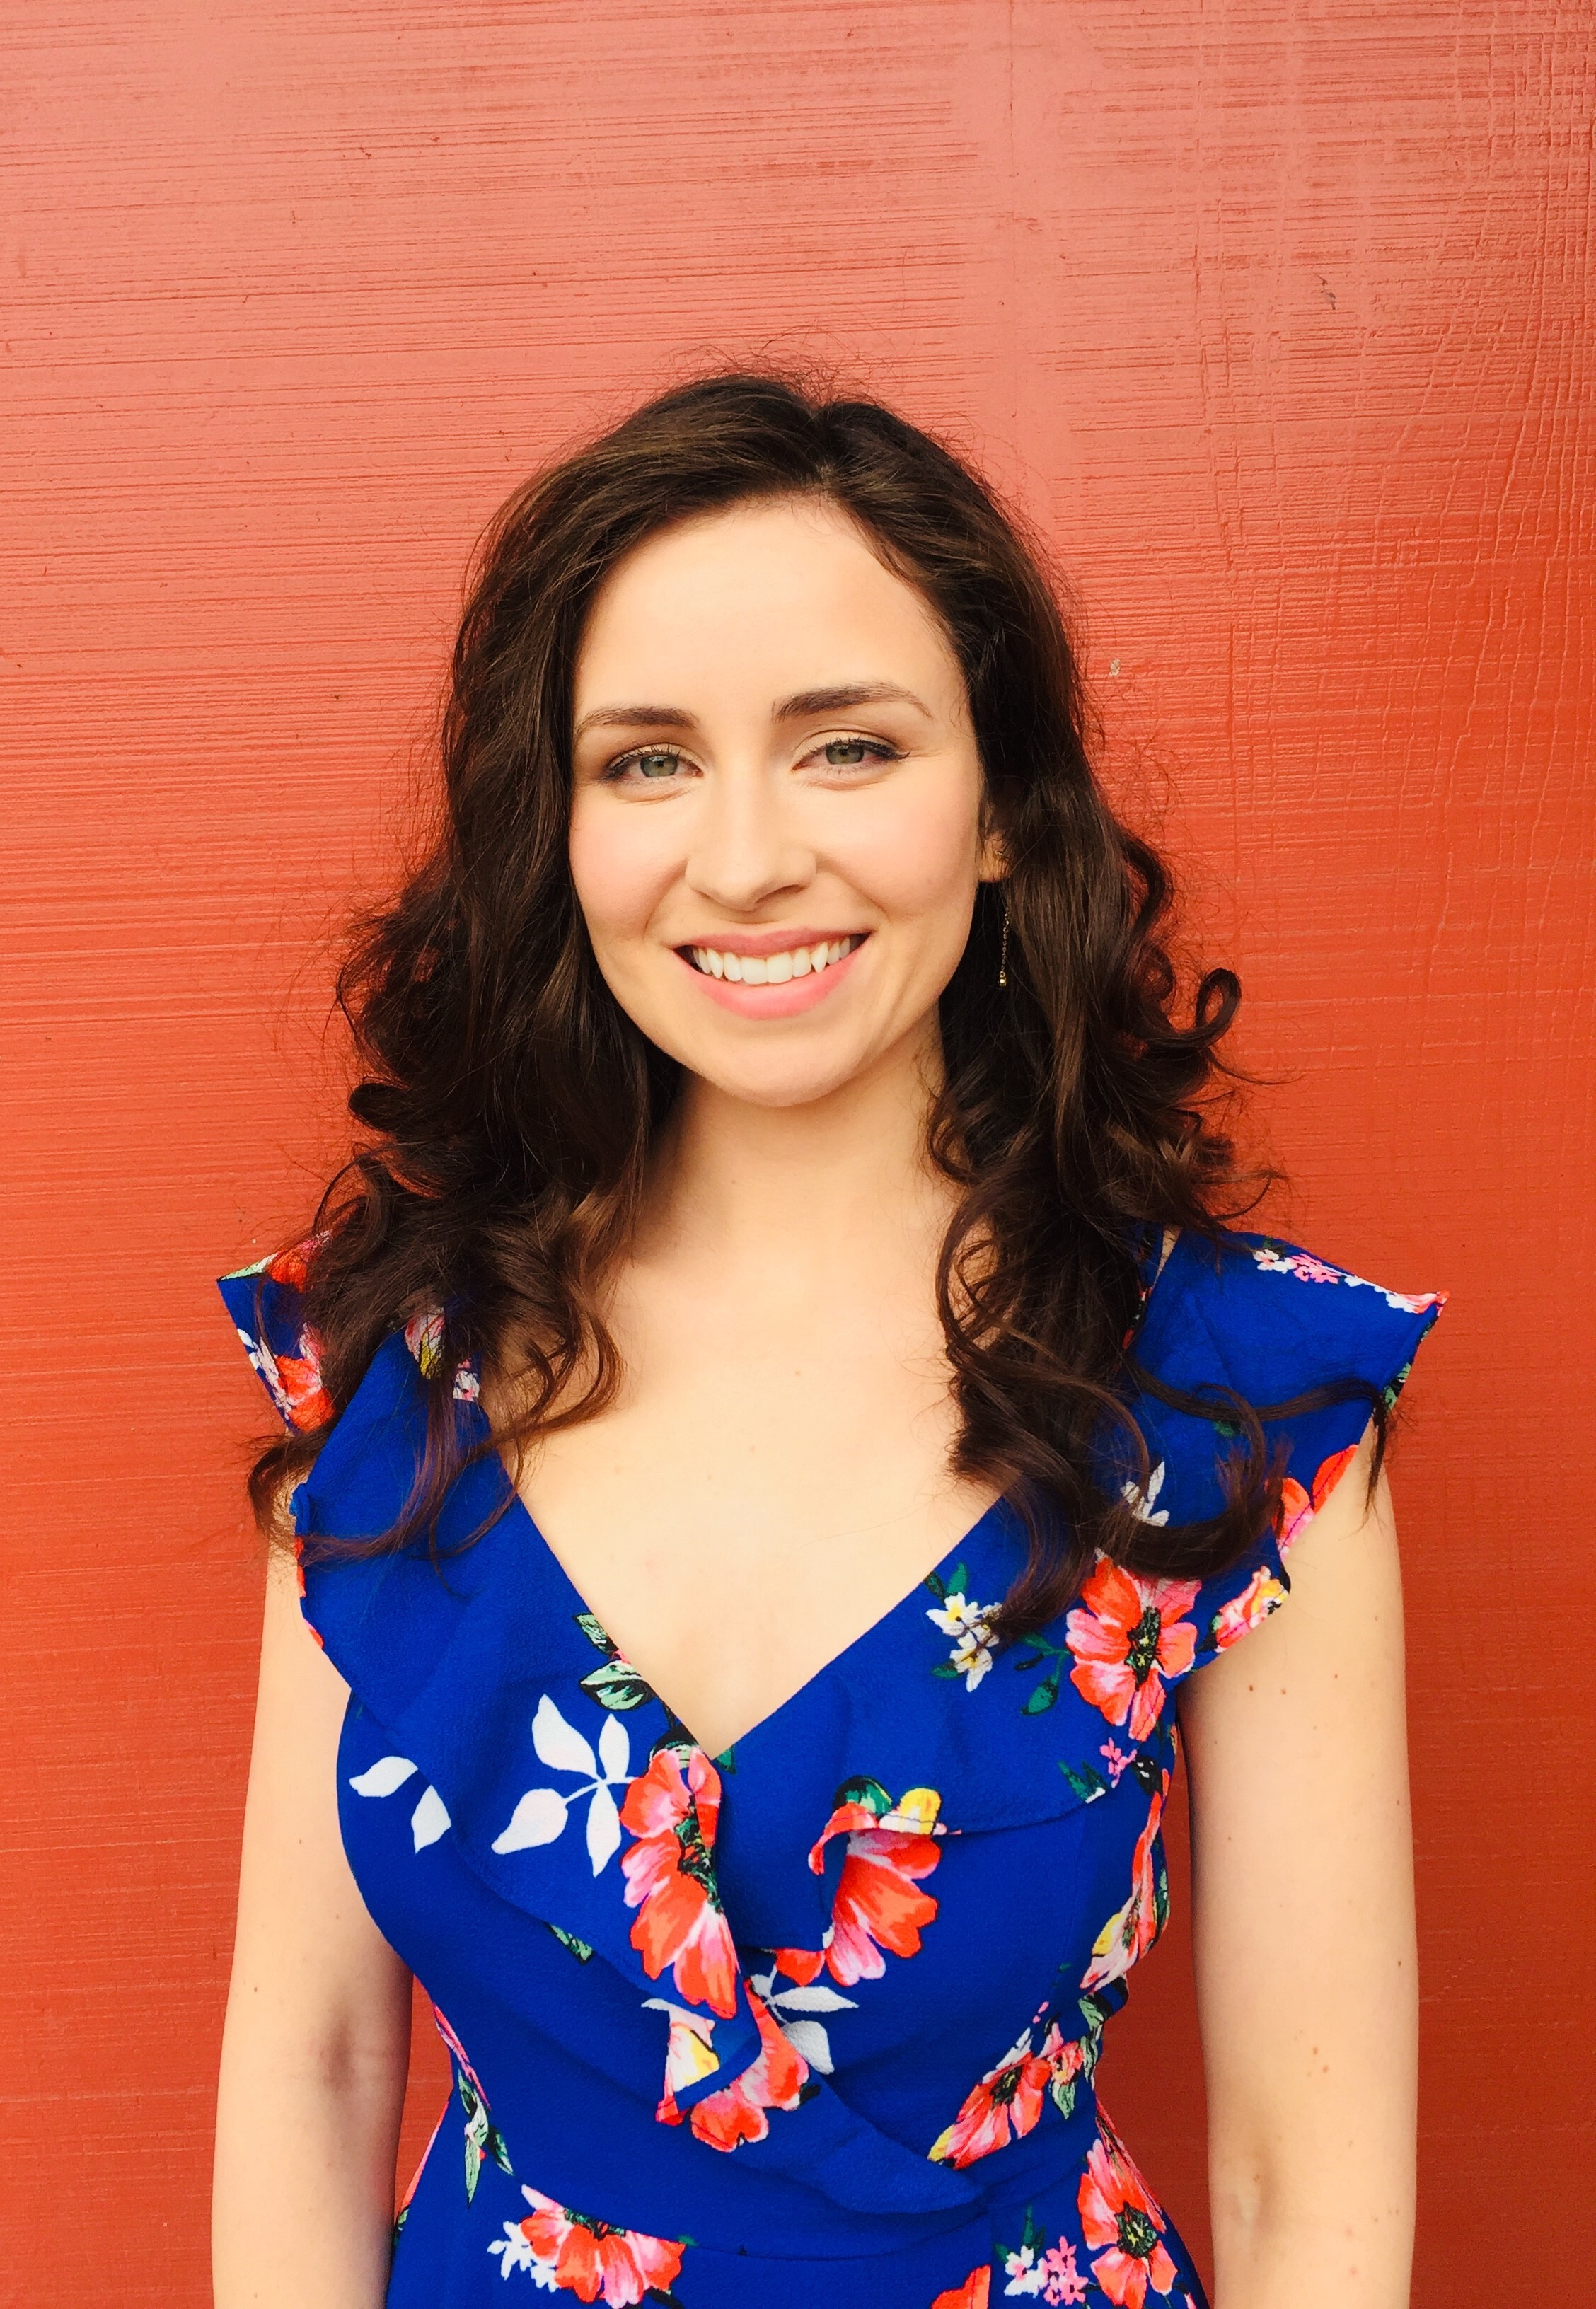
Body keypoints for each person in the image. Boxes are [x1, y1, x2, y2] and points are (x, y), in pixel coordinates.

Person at [210, 373, 1443, 2309]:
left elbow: (1311, 2189)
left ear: (1006, 810)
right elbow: (317, 2068)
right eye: (648, 762)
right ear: (560, 833)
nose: (747, 858)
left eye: (847, 746)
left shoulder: (1239, 1403)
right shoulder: (392, 1362)